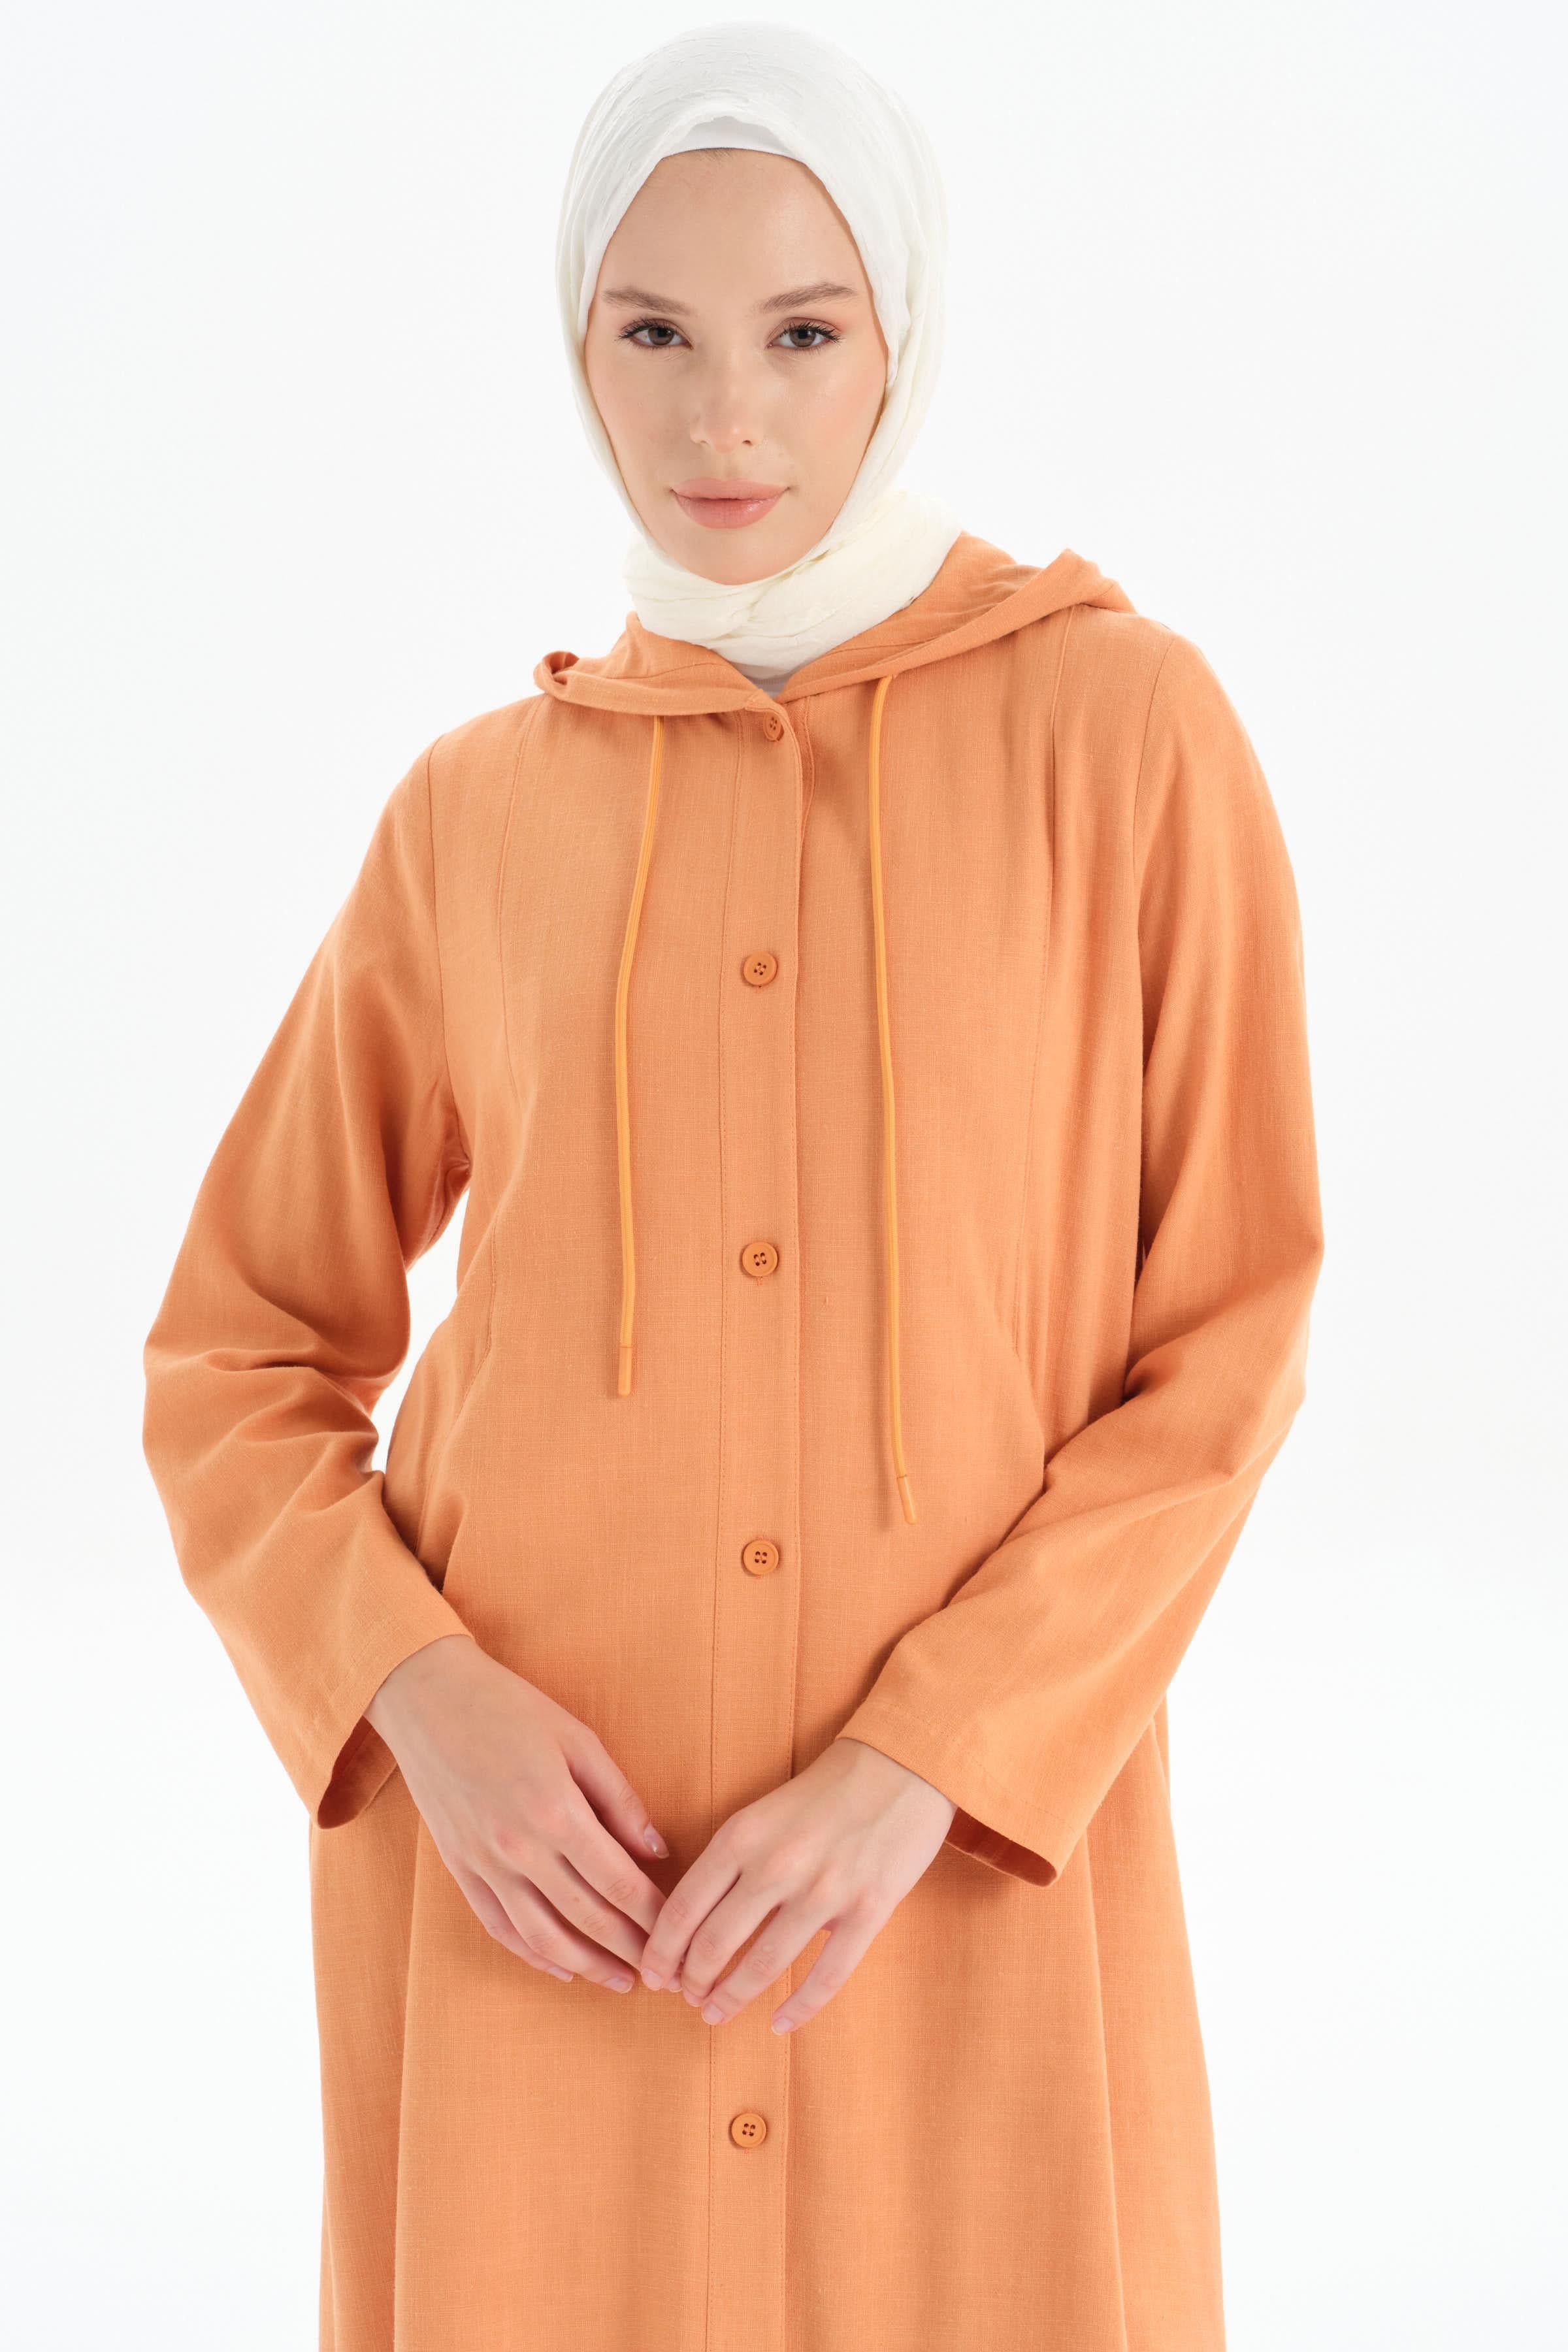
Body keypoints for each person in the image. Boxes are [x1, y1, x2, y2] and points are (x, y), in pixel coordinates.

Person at [142, 21, 1324, 2352]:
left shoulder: (1126, 733)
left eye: (801, 333)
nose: (725, 424)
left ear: (904, 329)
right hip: (543, 1923)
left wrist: (930, 1761)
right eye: (653, 336)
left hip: (963, 1901)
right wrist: (415, 1697)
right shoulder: (479, 809)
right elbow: (236, 1354)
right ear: (574, 346)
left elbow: (1232, 1342)